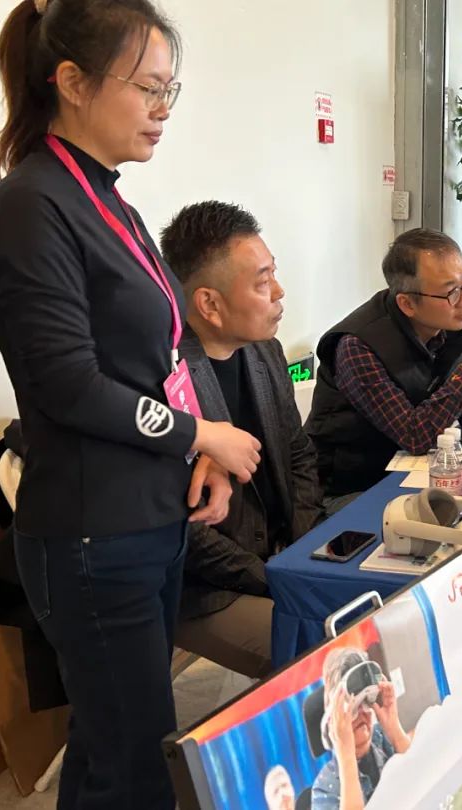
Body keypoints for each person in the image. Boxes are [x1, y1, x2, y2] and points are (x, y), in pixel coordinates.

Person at [0, 2, 262, 807]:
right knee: (133, 765)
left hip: (148, 517)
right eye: (148, 88)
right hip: (94, 532)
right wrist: (200, 431)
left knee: (114, 750)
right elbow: (68, 385)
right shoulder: (30, 207)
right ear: (72, 82)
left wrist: (198, 450)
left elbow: (160, 356)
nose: (164, 108)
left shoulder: (113, 204)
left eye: (171, 89)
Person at [160, 202, 325, 679]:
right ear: (209, 304)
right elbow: (184, 528)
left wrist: (304, 552)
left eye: (274, 273)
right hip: (207, 587)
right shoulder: (164, 377)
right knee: (323, 650)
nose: (279, 292)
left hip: (281, 553)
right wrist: (274, 577)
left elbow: (298, 453)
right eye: (262, 281)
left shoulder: (265, 350)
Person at [307, 229, 462, 513]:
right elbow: (415, 436)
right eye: (451, 291)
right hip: (351, 489)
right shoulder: (358, 346)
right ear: (407, 303)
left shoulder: (448, 326)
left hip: (414, 473)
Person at [310, 648, 410, 810]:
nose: (363, 712)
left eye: (367, 701)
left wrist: (394, 728)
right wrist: (346, 756)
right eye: (354, 707)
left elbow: (422, 777)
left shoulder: (383, 738)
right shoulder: (324, 788)